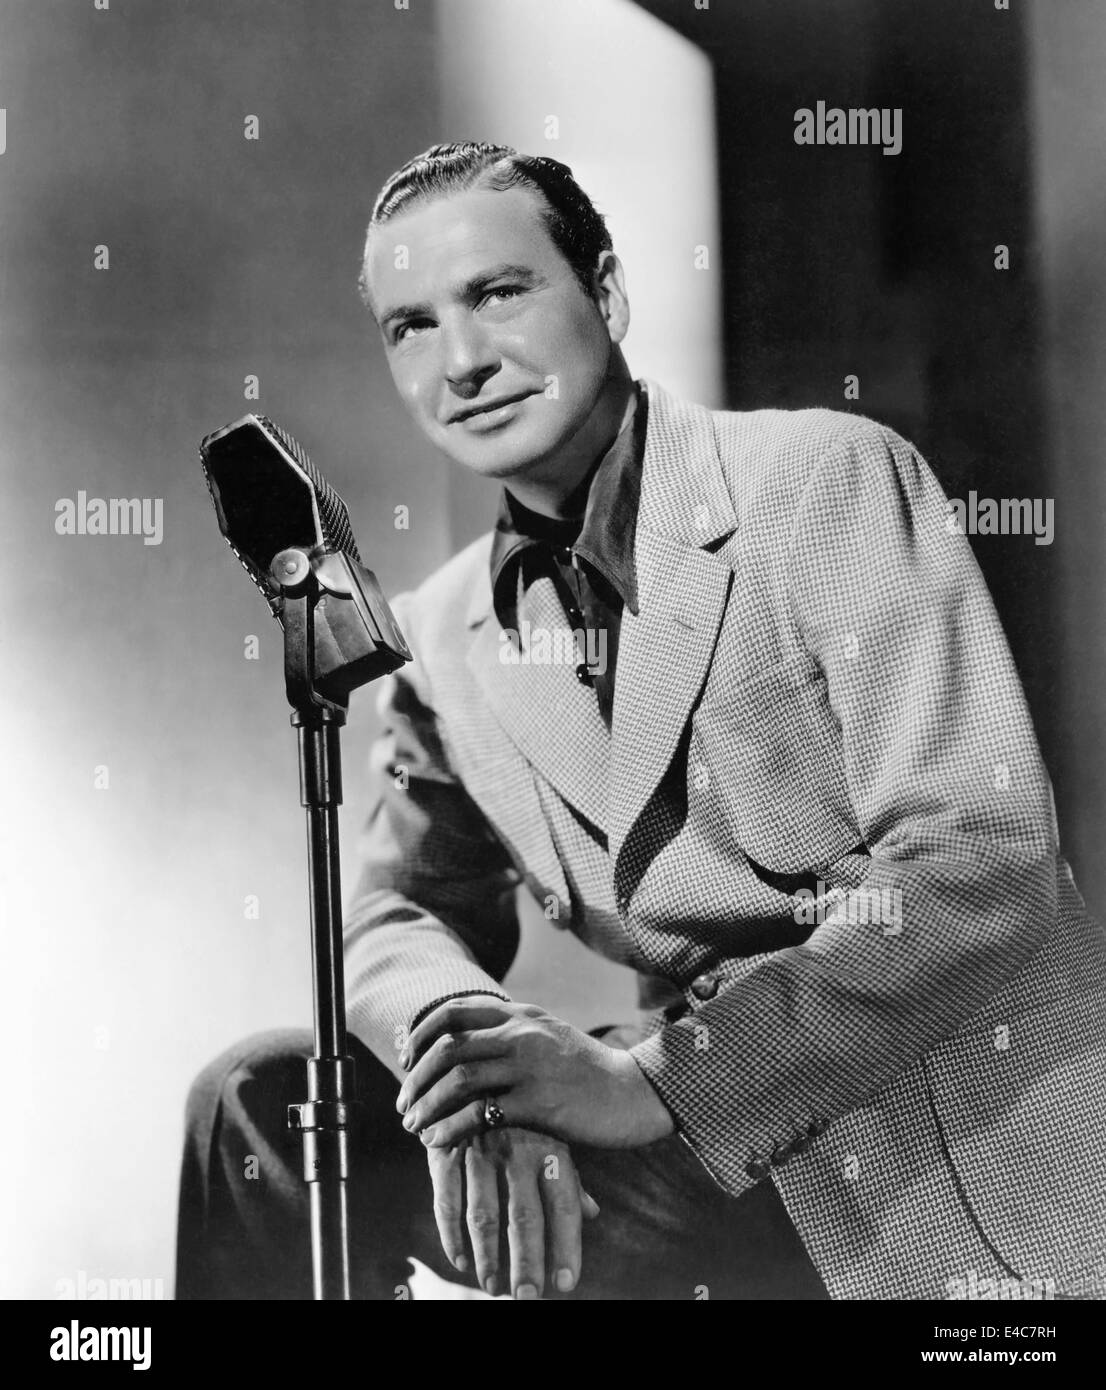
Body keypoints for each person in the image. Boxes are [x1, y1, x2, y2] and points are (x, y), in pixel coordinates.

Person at [176, 141, 1106, 1301]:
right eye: (410, 326)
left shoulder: (825, 478)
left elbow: (981, 862)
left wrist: (655, 1083)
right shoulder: (441, 632)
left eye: (497, 293)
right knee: (256, 1098)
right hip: (694, 1189)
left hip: (930, 1150)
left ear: (605, 294)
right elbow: (390, 912)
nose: (460, 362)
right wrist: (475, 1058)